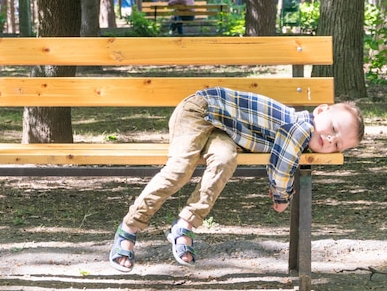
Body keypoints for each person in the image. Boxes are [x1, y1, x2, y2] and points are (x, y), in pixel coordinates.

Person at [109, 86, 365, 272]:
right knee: (180, 169)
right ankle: (130, 227)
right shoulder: (301, 127)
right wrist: (281, 197)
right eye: (332, 129)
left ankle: (184, 224)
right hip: (200, 110)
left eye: (337, 144)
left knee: (224, 160)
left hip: (223, 132)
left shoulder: (303, 135)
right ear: (320, 111)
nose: (330, 140)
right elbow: (282, 163)